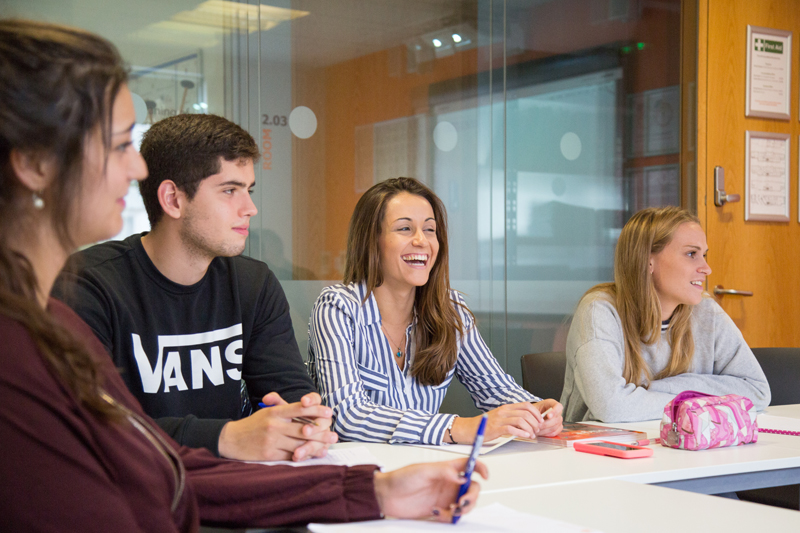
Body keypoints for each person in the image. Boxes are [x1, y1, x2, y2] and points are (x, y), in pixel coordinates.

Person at [0, 20, 485, 530]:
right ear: (34, 163)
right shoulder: (52, 316)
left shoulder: (50, 321)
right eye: (119, 144)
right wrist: (233, 436)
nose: (136, 169)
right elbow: (137, 469)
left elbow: (161, 466)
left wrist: (371, 488)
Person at [53, 113, 332, 462]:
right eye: (229, 190)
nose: (250, 209)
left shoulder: (253, 284)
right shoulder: (87, 285)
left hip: (230, 479)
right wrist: (226, 437)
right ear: (173, 199)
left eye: (248, 190)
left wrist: (306, 422)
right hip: (132, 482)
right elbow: (89, 423)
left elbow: (290, 395)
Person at [308, 177, 563, 445]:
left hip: (429, 465)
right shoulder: (337, 308)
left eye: (430, 230)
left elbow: (496, 389)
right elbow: (347, 416)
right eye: (405, 228)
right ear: (371, 241)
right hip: (361, 467)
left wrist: (537, 411)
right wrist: (460, 427)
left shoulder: (449, 309)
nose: (422, 240)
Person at [560, 206, 771, 423]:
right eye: (691, 254)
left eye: (704, 255)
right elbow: (611, 407)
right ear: (648, 261)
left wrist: (662, 389)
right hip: (600, 442)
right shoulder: (599, 311)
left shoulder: (707, 311)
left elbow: (757, 392)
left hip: (682, 440)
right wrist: (704, 398)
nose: (706, 268)